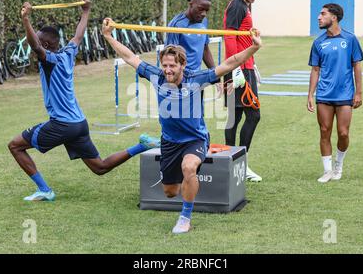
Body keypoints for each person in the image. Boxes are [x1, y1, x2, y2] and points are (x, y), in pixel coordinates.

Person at [102, 17, 262, 234]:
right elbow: (130, 57)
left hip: (195, 139)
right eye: (165, 65)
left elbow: (229, 63)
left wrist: (254, 46)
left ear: (182, 65)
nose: (168, 70)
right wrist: (108, 36)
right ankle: (173, 168)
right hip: (169, 141)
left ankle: (185, 217)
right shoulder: (156, 76)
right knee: (170, 191)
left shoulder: (196, 78)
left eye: (172, 66)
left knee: (188, 168)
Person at [8, 0, 160, 201]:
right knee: (100, 167)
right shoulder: (68, 53)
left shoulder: (50, 61)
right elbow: (78, 36)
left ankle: (45, 190)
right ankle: (142, 145)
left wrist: (26, 19)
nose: (32, 39)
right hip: (78, 124)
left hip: (61, 124)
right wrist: (86, 11)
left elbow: (35, 46)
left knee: (15, 146)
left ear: (45, 44)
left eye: (36, 37)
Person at [307, 3, 363, 183]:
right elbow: (315, 70)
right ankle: (327, 171)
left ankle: (339, 165)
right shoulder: (318, 42)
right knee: (324, 131)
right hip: (324, 94)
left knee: (343, 133)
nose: (319, 17)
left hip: (345, 94)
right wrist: (310, 94)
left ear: (334, 17)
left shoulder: (350, 39)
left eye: (323, 14)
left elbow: (357, 65)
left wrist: (359, 92)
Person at [223, 0, 263, 182]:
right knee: (252, 116)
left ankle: (232, 164)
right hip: (239, 69)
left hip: (244, 66)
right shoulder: (237, 6)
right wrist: (235, 68)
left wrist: (252, 62)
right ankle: (238, 162)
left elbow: (242, 37)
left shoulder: (244, 5)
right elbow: (229, 36)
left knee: (236, 117)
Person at [166, 0, 215, 71]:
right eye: (200, 9)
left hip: (196, 77)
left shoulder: (203, 21)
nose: (204, 14)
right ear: (191, 4)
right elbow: (169, 56)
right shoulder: (176, 24)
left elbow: (205, 49)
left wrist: (215, 74)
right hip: (180, 77)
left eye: (206, 10)